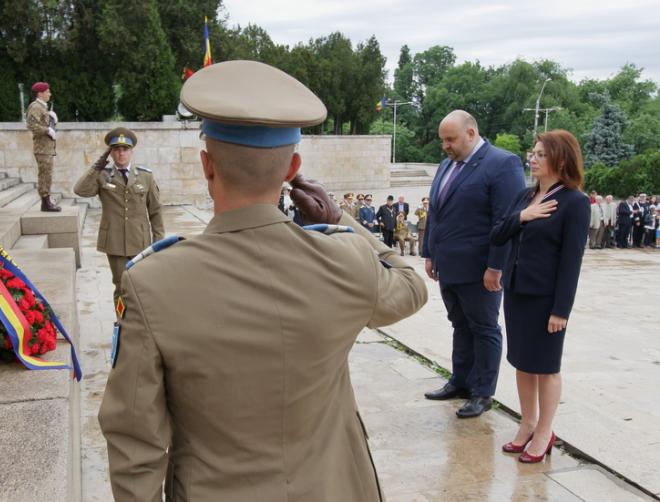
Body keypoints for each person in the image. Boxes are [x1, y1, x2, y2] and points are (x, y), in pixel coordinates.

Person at [97, 60, 428, 501]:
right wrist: (341, 219)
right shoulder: (347, 260)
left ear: (206, 166)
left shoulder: (152, 283)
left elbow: (136, 444)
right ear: (292, 168)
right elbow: (411, 285)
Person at [489, 130, 590, 463]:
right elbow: (498, 233)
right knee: (522, 362)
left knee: (546, 367)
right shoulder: (524, 196)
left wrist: (562, 309)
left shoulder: (574, 202)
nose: (532, 158)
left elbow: (571, 261)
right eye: (532, 153)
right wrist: (523, 216)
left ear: (560, 159)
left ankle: (545, 431)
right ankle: (527, 422)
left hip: (547, 301)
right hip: (517, 293)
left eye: (540, 154)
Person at [421, 110, 526, 418]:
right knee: (460, 325)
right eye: (443, 140)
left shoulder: (502, 164)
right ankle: (461, 381)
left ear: (471, 133)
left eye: (450, 139)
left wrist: (496, 267)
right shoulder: (446, 165)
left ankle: (482, 392)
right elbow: (436, 214)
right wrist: (430, 253)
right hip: (448, 265)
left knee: (484, 328)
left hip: (480, 269)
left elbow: (506, 220)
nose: (445, 146)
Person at [73, 128, 165, 299]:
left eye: (125, 149)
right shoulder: (102, 175)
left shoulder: (146, 176)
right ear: (111, 152)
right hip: (115, 242)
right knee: (121, 286)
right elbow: (80, 190)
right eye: (116, 149)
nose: (121, 153)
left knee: (142, 285)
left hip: (141, 240)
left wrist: (158, 241)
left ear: (131, 151)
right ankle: (122, 324)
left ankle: (139, 323)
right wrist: (98, 165)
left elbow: (155, 211)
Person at [26, 81, 61, 212]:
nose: (50, 94)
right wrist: (47, 130)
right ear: (40, 93)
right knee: (45, 174)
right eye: (47, 92)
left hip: (47, 148)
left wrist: (52, 120)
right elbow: (31, 125)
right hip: (42, 148)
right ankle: (45, 203)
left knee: (48, 174)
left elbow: (42, 123)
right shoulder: (35, 106)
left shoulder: (43, 107)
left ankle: (47, 201)